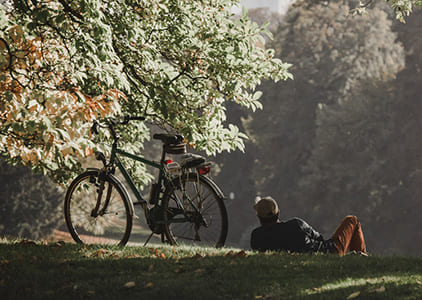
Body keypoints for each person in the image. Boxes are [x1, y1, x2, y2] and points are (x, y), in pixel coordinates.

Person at [250, 196, 367, 256]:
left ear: (259, 218)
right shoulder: (296, 224)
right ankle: (362, 258)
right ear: (278, 213)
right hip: (328, 252)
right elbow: (319, 238)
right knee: (352, 220)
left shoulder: (256, 236)